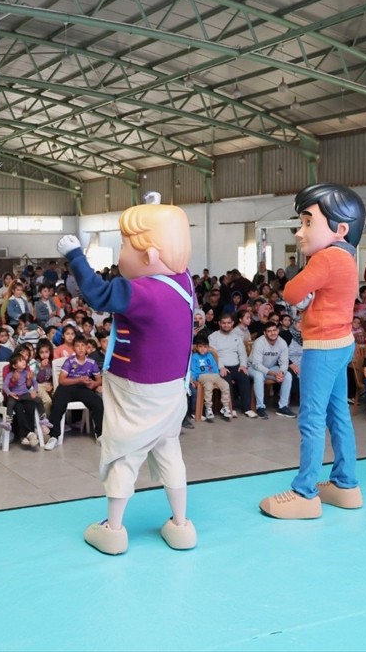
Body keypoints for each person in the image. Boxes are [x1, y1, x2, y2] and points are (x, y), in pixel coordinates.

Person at [58, 192, 197, 556]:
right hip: (172, 390)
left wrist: (75, 255)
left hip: (136, 391)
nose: (120, 256)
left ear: (150, 256)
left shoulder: (143, 292)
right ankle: (181, 525)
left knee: (124, 453)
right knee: (169, 450)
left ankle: (114, 530)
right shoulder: (185, 282)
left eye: (123, 247)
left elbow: (97, 294)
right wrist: (154, 209)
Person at [259, 183, 366, 520]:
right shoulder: (347, 257)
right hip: (343, 344)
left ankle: (305, 491)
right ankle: (346, 484)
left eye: (307, 222)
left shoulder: (325, 258)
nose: (299, 231)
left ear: (341, 228)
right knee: (338, 416)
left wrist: (303, 282)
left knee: (311, 419)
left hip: (322, 348)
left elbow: (291, 293)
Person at [248, 321, 294, 419]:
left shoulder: (282, 342)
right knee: (259, 376)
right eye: (269, 331)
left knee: (288, 375)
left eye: (274, 330)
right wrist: (273, 373)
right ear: (265, 333)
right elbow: (256, 364)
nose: (273, 333)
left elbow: (284, 362)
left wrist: (281, 373)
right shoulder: (259, 342)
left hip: (271, 368)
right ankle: (260, 407)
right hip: (253, 368)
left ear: (278, 331)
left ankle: (283, 407)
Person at [189, 334, 232, 421]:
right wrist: (193, 379)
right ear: (196, 347)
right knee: (208, 386)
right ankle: (208, 408)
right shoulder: (194, 357)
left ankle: (225, 406)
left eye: (205, 347)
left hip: (214, 375)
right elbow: (192, 369)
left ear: (208, 347)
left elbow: (215, 366)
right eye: (200, 346)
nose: (203, 349)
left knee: (225, 385)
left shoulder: (210, 355)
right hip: (202, 376)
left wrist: (217, 375)